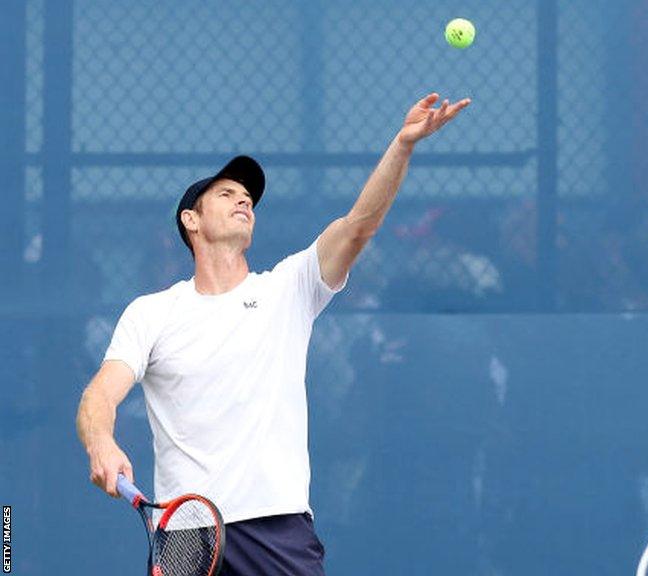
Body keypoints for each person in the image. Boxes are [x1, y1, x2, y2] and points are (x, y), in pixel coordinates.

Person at [75, 93, 470, 575]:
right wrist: (101, 441)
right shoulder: (151, 313)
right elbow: (100, 394)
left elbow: (358, 226)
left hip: (277, 529)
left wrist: (403, 145)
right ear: (191, 221)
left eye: (248, 197)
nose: (243, 199)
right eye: (226, 193)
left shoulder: (289, 288)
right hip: (184, 536)